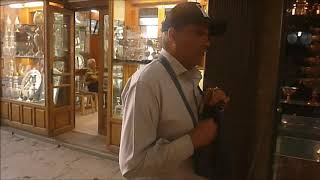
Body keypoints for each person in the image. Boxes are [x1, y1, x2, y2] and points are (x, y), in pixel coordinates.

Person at [119, 2, 229, 179]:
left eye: (208, 36)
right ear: (172, 36)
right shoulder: (146, 84)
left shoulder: (189, 76)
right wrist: (192, 141)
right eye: (199, 33)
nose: (207, 43)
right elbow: (133, 166)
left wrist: (207, 107)